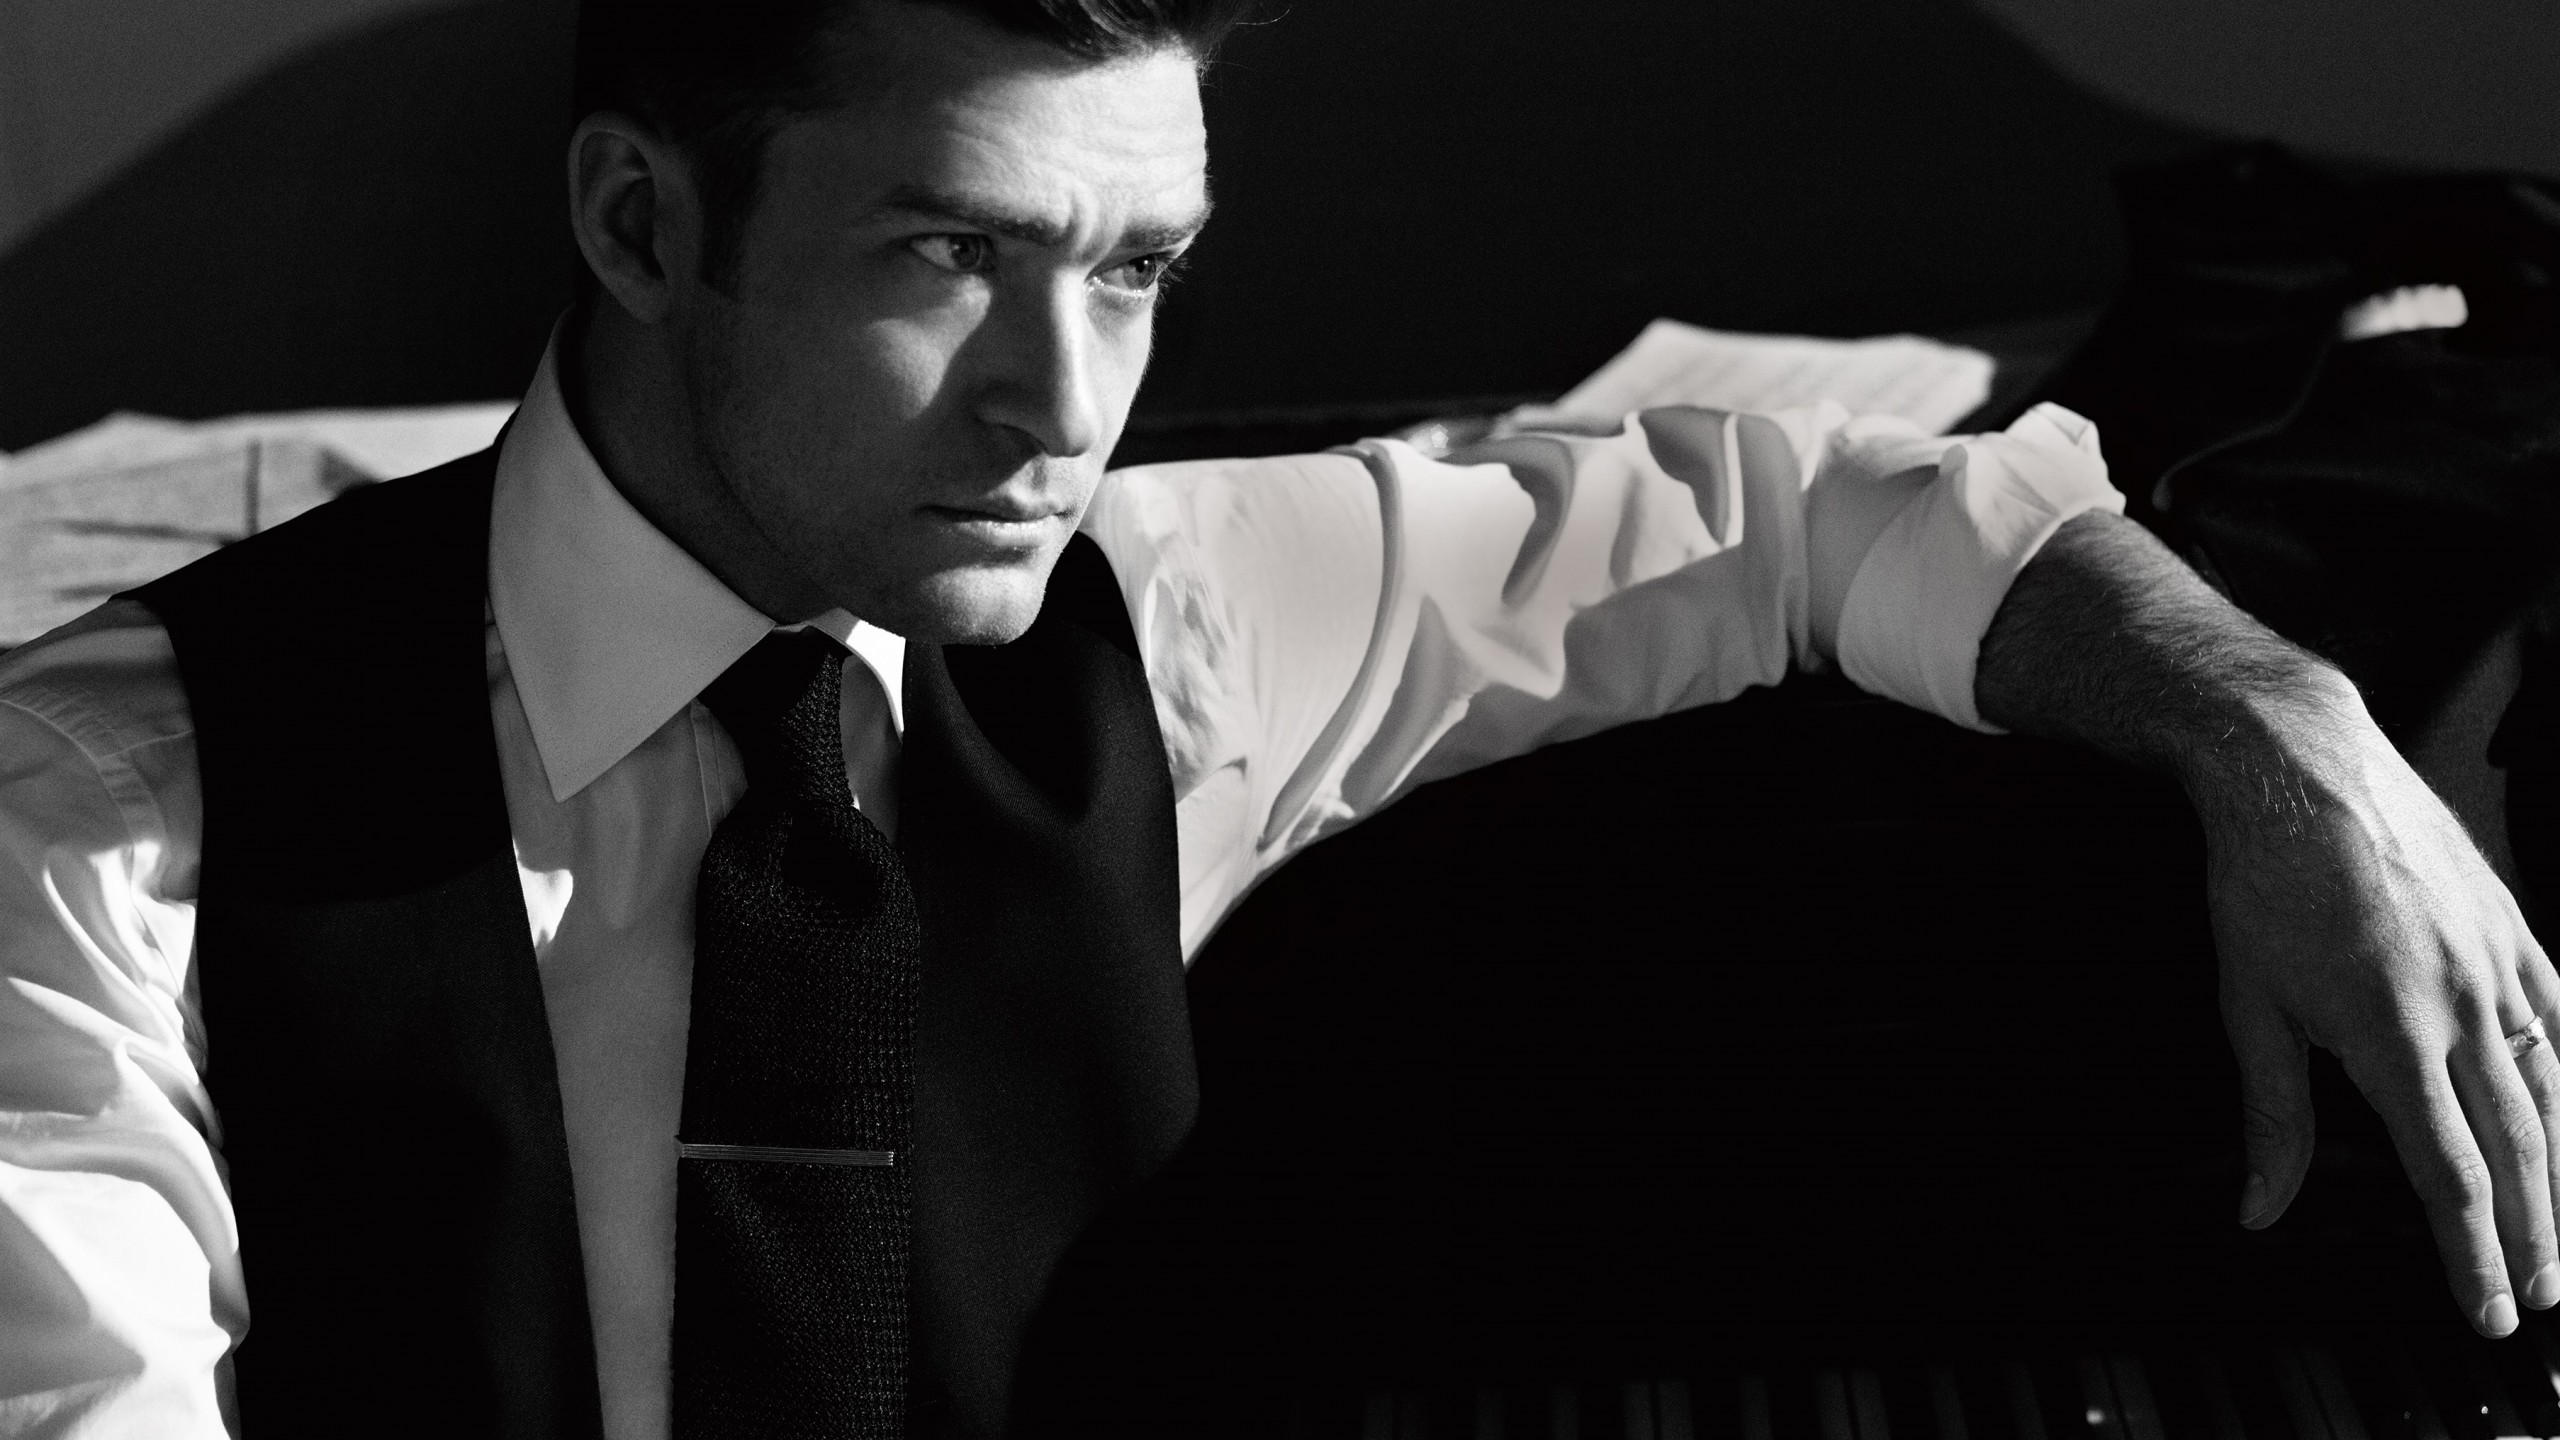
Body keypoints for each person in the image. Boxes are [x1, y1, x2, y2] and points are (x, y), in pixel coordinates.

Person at [0, 0, 2549, 1436]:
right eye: (948, 257)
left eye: (1135, 272)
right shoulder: (109, 816)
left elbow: (1820, 508)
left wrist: (2275, 728)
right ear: (637, 223)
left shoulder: (1167, 615)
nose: (1061, 404)